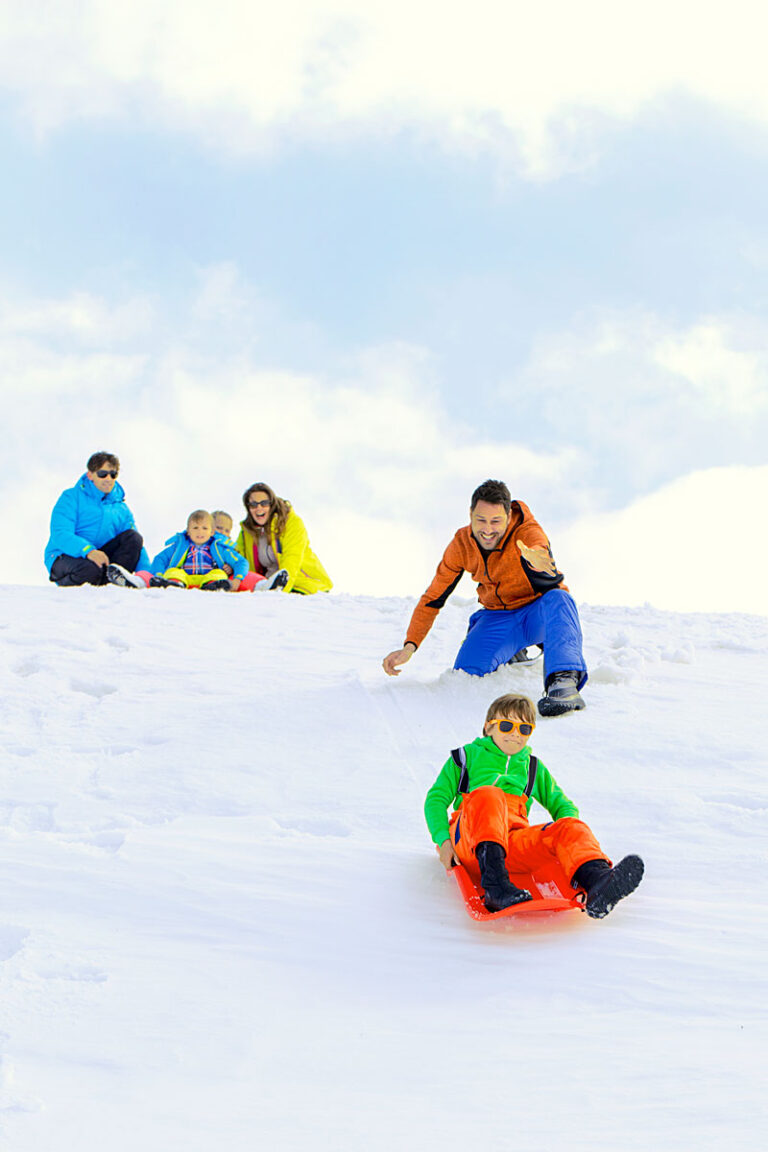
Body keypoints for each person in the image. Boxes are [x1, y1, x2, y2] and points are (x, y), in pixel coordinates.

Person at [425, 693, 644, 916]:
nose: (515, 734)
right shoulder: (465, 758)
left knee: (569, 824)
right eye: (506, 725)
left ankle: (598, 883)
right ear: (488, 728)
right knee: (490, 795)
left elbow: (563, 806)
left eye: (524, 729)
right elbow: (436, 799)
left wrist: (565, 846)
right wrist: (443, 840)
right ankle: (496, 889)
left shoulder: (532, 767)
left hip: (512, 846)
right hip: (471, 843)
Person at [382, 478, 587, 717]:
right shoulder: (461, 543)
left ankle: (563, 683)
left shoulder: (527, 532)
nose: (487, 529)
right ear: (470, 514)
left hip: (536, 615)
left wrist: (540, 562)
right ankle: (510, 651)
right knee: (467, 673)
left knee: (560, 600)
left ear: (509, 516)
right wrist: (410, 646)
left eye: (495, 521)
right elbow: (434, 596)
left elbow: (539, 549)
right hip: (498, 618)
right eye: (480, 520)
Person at [45, 451, 149, 588]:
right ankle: (71, 588)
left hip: (101, 560)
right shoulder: (71, 497)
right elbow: (60, 533)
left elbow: (136, 546)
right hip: (65, 556)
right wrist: (88, 551)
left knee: (133, 537)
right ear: (90, 475)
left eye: (113, 475)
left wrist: (146, 574)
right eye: (102, 474)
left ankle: (114, 584)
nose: (108, 478)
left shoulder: (121, 508)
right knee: (90, 571)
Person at [235, 482, 332, 595]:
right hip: (267, 586)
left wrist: (280, 592)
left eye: (264, 503)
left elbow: (292, 559)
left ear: (272, 505)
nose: (259, 508)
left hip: (304, 584)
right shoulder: (247, 532)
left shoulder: (291, 522)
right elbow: (237, 557)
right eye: (253, 505)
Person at [148, 510, 252, 590]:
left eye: (204, 528)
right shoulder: (180, 545)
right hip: (185, 577)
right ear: (188, 531)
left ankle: (213, 586)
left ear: (212, 532)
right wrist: (159, 575)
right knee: (173, 571)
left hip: (207, 577)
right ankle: (174, 584)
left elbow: (240, 561)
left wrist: (237, 578)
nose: (200, 532)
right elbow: (160, 559)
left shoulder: (218, 547)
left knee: (218, 573)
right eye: (195, 528)